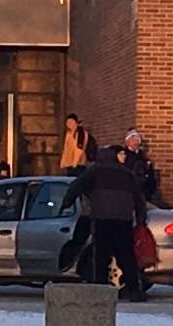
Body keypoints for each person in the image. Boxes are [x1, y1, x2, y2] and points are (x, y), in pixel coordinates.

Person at [59, 145, 148, 302]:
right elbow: (138, 198)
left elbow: (75, 187)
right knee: (126, 255)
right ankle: (134, 290)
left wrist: (66, 203)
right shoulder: (127, 173)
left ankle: (100, 290)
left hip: (102, 218)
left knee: (101, 256)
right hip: (123, 220)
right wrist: (141, 218)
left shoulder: (95, 171)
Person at [123, 129, 159, 204]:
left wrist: (149, 191)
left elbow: (150, 177)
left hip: (143, 193)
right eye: (132, 139)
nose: (135, 142)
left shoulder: (144, 158)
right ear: (127, 142)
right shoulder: (124, 156)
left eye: (137, 139)